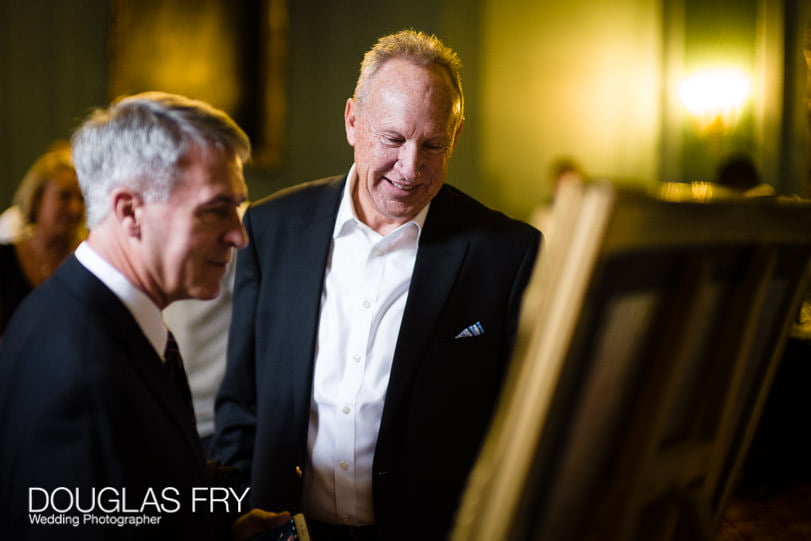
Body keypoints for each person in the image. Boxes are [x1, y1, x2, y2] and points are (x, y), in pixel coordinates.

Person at [212, 30, 541, 540]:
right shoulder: (271, 228)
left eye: (434, 144)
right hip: (286, 527)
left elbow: (522, 427)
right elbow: (240, 402)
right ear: (352, 121)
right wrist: (233, 516)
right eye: (392, 139)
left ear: (455, 136)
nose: (411, 168)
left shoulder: (508, 254)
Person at [0, 92, 290, 540]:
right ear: (130, 211)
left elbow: (143, 492)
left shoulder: (89, 308)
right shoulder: (81, 375)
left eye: (237, 206)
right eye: (216, 210)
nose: (238, 235)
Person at [0, 141, 85, 336]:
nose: (75, 209)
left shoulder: (89, 262)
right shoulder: (5, 260)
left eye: (81, 199)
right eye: (64, 196)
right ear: (36, 199)